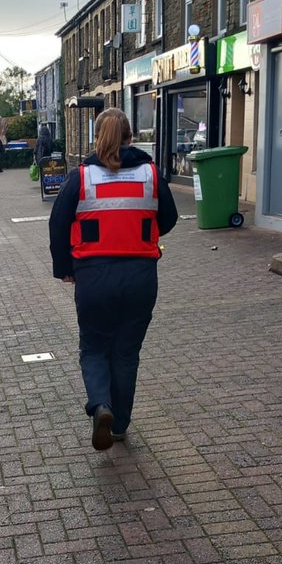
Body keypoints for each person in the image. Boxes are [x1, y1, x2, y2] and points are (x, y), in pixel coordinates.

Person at [48, 107, 178, 450]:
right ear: (130, 137)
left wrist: (65, 268)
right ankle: (119, 424)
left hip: (94, 276)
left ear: (96, 139)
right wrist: (140, 228)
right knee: (126, 352)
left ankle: (100, 405)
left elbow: (58, 224)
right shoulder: (151, 174)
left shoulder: (81, 178)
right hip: (140, 276)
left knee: (93, 347)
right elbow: (169, 218)